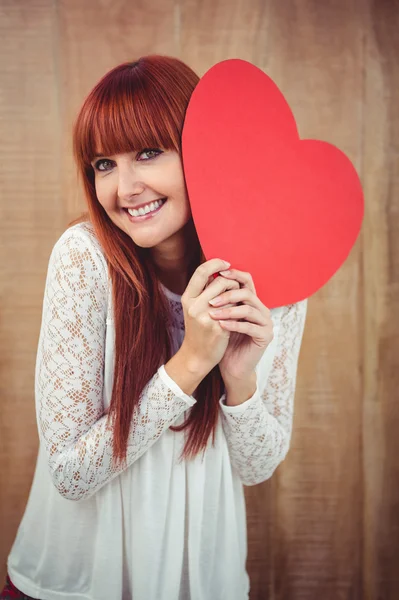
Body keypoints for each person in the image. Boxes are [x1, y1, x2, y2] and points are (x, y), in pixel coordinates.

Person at [2, 55, 308, 600]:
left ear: (202, 151)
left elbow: (257, 465)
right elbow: (70, 473)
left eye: (147, 154)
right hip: (78, 579)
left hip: (199, 580)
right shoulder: (84, 260)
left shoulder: (270, 272)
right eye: (104, 164)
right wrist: (191, 364)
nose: (125, 187)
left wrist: (239, 380)